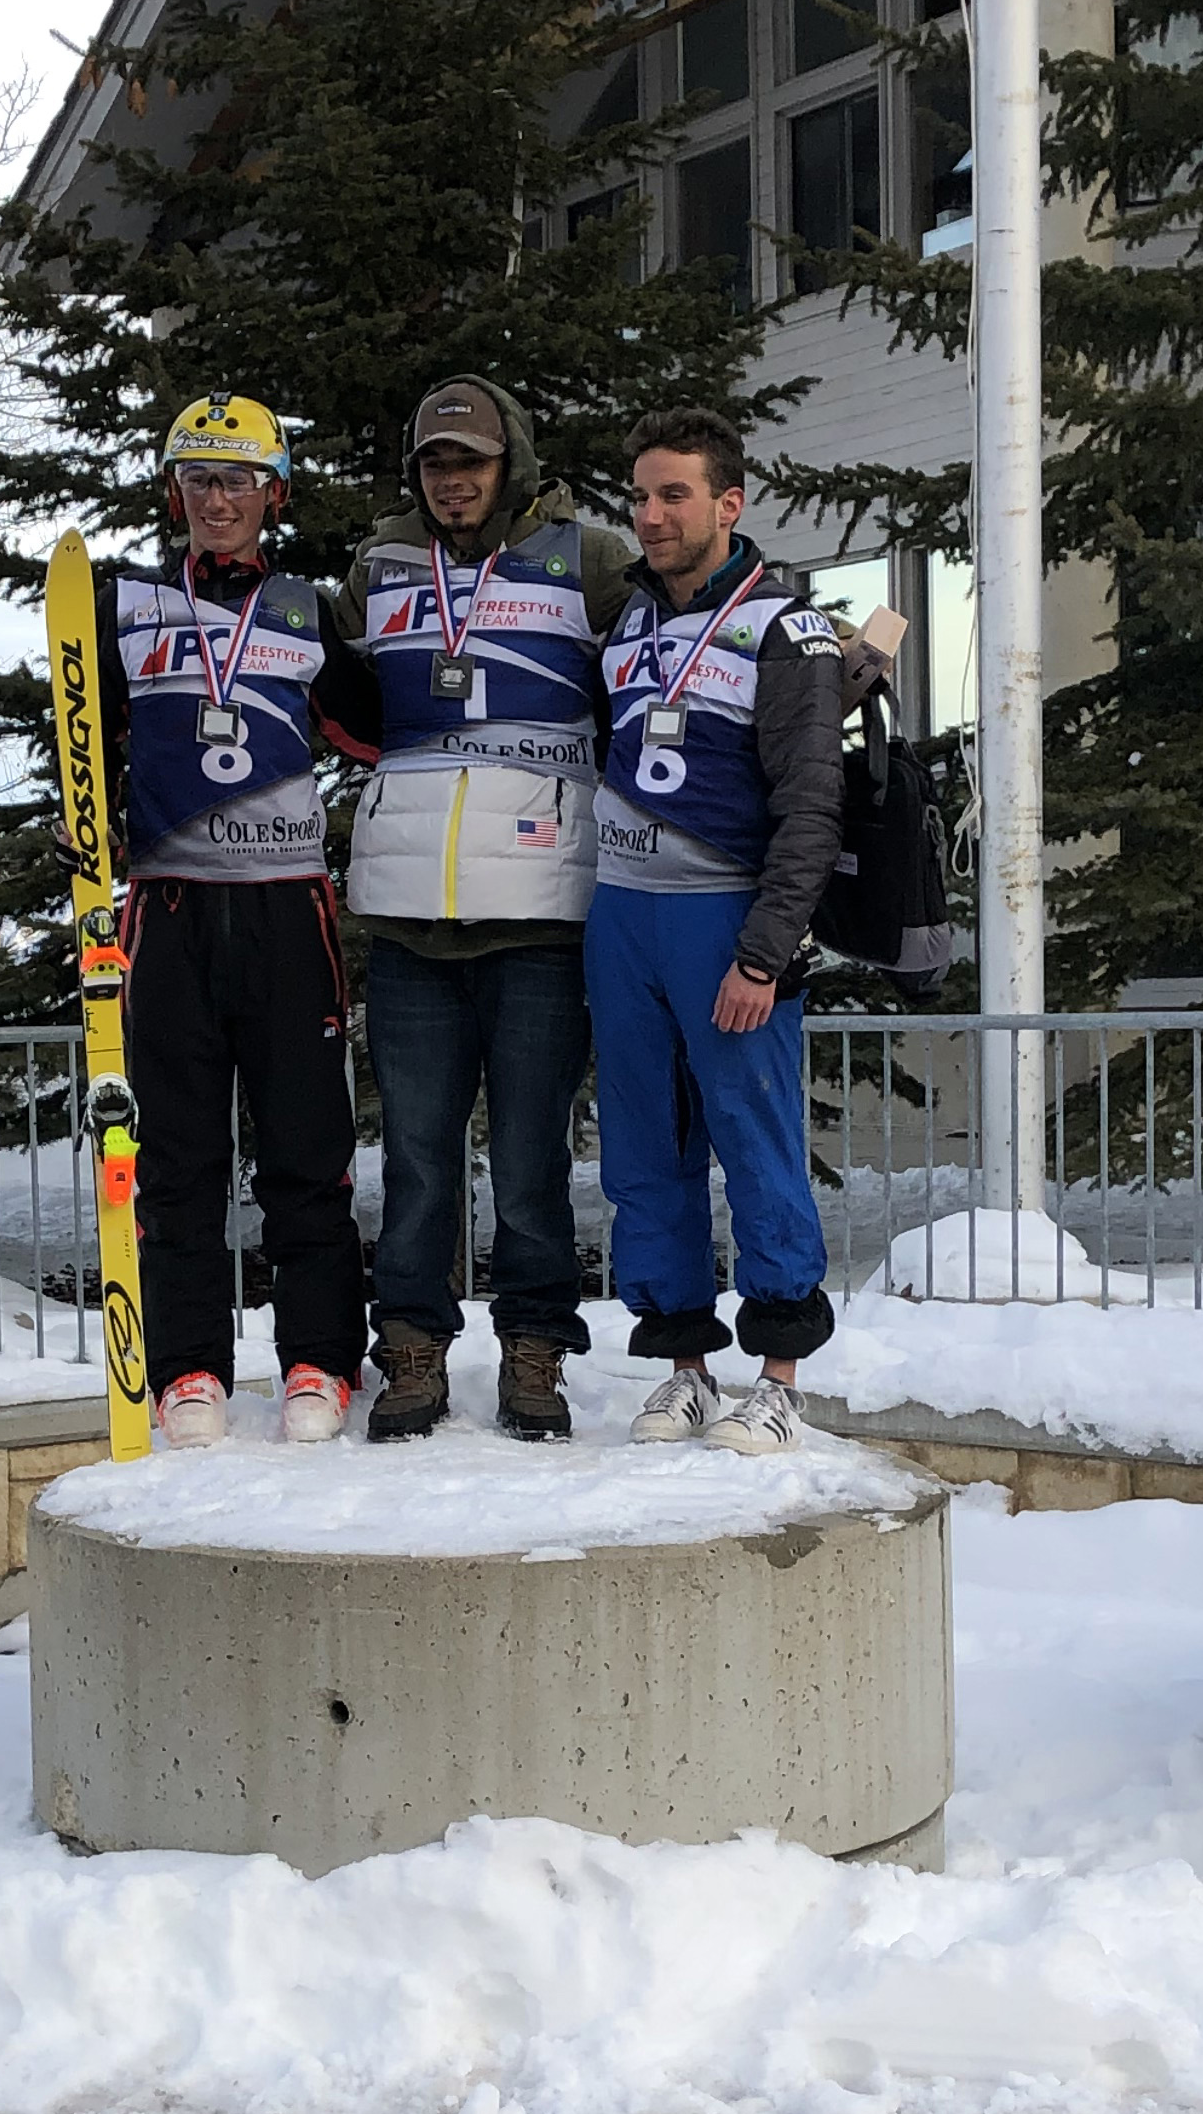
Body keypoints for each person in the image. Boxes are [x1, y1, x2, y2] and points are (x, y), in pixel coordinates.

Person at [335, 374, 633, 1442]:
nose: (453, 480)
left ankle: (535, 1352)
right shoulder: (377, 566)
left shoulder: (585, 558)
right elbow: (320, 691)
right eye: (434, 463)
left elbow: (668, 654)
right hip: (410, 915)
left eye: (471, 460)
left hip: (541, 916)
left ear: (512, 459)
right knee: (414, 1156)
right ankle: (410, 1352)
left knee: (531, 1159)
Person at [99, 393, 368, 1446]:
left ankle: (316, 1359)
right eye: (200, 479)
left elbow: (380, 730)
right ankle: (190, 1365)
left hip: (287, 910)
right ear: (176, 493)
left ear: (274, 494)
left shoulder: (307, 609)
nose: (219, 499)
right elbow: (82, 742)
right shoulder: (124, 606)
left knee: (308, 1147)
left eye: (238, 480)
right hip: (170, 909)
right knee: (176, 1155)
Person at [586, 404, 844, 1450]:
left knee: (756, 1140)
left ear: (729, 505)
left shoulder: (784, 628)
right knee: (647, 1147)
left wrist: (764, 953)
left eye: (673, 495)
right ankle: (686, 1367)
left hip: (724, 920)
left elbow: (811, 807)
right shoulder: (628, 624)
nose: (649, 515)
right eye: (640, 495)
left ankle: (778, 1377)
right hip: (624, 914)